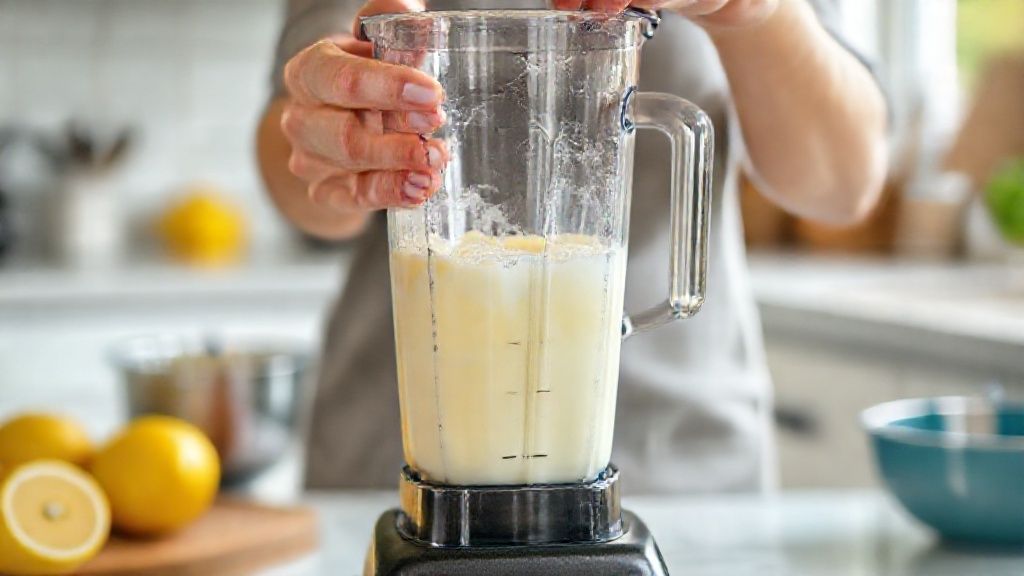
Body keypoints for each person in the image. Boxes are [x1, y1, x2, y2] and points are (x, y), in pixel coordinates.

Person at [257, 0, 887, 493]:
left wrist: (756, 12)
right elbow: (293, 155)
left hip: (678, 470)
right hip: (397, 458)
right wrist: (331, 131)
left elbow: (843, 184)